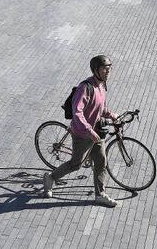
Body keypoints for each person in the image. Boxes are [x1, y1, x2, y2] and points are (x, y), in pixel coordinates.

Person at [42, 55, 119, 207]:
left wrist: (111, 115)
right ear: (96, 70)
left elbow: (101, 108)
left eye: (109, 69)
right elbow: (78, 112)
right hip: (82, 134)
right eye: (104, 69)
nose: (107, 72)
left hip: (96, 132)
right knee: (75, 164)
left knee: (101, 161)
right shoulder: (85, 88)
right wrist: (89, 130)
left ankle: (100, 194)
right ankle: (50, 178)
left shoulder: (102, 86)